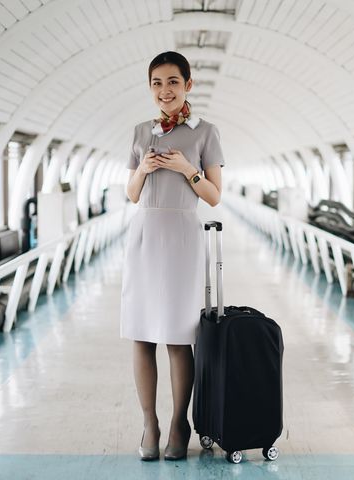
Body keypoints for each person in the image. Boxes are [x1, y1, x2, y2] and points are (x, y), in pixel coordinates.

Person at [120, 51, 225, 461]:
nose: (165, 91)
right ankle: (150, 423)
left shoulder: (205, 132)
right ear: (150, 87)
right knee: (141, 334)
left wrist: (187, 169)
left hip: (183, 236)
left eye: (173, 82)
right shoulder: (138, 132)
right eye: (157, 83)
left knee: (180, 338)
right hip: (144, 234)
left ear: (188, 86)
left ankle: (180, 423)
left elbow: (214, 197)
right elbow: (131, 195)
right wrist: (143, 170)